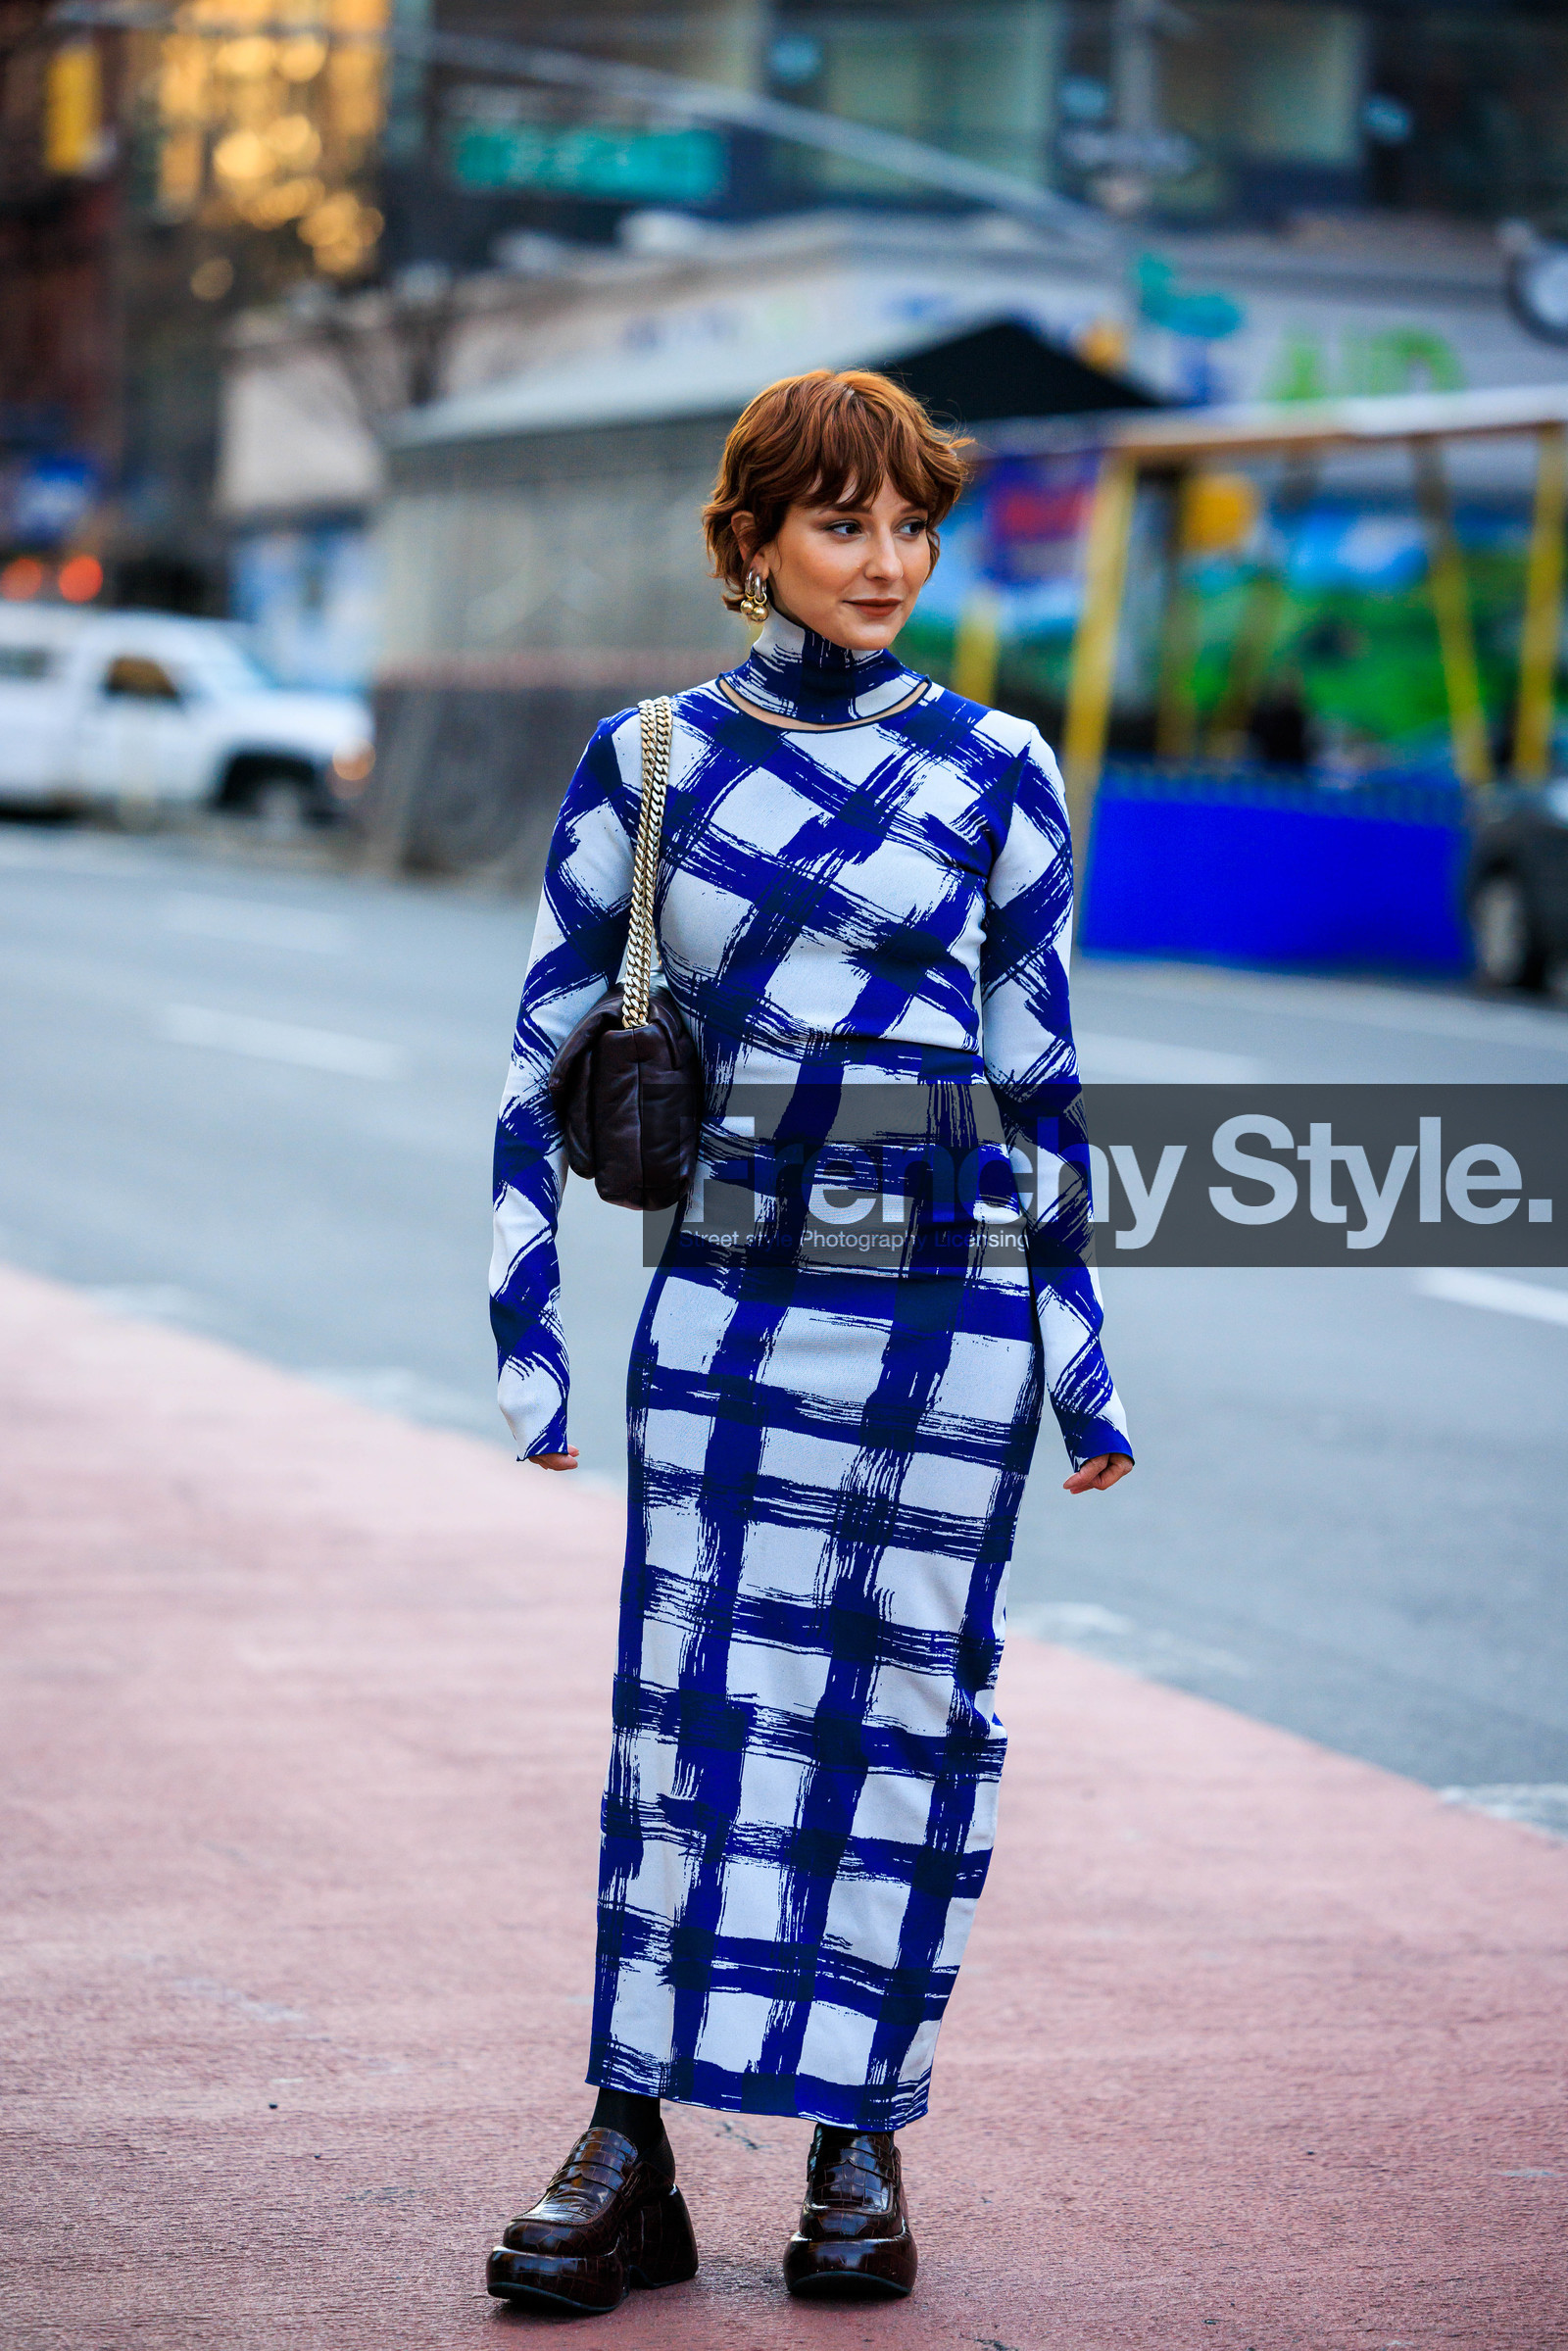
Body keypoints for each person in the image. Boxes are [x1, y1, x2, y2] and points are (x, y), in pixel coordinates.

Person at [485, 368, 1133, 2316]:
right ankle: (631, 2142)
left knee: (901, 1722)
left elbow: (1042, 1081)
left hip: (944, 1316)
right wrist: (524, 1333)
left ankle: (862, 2140)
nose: (886, 561)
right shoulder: (652, 756)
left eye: (909, 524)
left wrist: (1080, 1354)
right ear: (748, 539)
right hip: (728, 1299)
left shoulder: (998, 768)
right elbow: (539, 1050)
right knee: (681, 1714)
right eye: (841, 523)